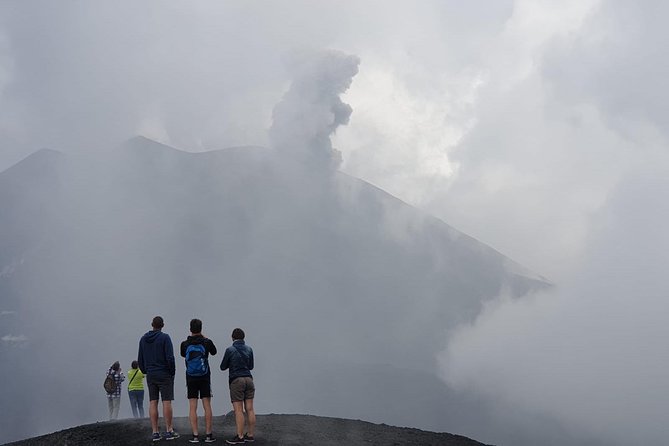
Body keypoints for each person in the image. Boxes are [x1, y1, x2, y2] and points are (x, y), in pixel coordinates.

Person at [138, 316, 180, 441]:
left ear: (152, 324)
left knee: (153, 402)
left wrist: (146, 371)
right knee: (166, 401)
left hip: (151, 374)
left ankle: (155, 432)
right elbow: (170, 357)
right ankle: (169, 430)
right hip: (164, 373)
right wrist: (172, 372)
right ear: (163, 325)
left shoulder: (143, 339)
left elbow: (140, 359)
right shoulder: (165, 338)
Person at [180, 318, 218, 443]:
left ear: (190, 329)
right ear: (201, 328)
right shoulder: (206, 342)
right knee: (207, 405)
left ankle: (195, 435)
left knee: (192, 407)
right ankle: (208, 435)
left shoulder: (184, 344)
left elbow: (182, 355)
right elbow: (214, 352)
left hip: (191, 377)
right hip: (204, 376)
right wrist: (205, 337)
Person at [220, 328, 255, 444]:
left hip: (237, 380)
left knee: (238, 410)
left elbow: (223, 366)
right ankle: (250, 435)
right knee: (250, 409)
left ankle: (240, 437)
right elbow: (251, 366)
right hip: (249, 379)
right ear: (243, 337)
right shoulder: (249, 349)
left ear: (232, 337)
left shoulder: (230, 350)